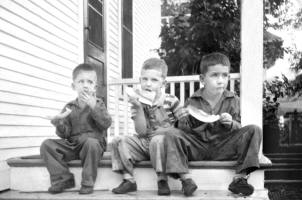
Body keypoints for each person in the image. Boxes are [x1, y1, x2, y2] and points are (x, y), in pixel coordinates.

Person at [168, 52, 262, 196]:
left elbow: (240, 128)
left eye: (224, 75)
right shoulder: (192, 101)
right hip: (197, 147)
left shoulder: (233, 100)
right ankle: (186, 180)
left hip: (224, 147)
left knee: (254, 130)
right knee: (171, 133)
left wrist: (231, 124)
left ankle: (240, 179)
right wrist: (184, 122)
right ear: (202, 79)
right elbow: (184, 130)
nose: (220, 80)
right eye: (215, 75)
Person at [111, 58, 197, 196]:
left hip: (164, 145)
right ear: (140, 80)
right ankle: (129, 180)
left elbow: (184, 128)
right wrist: (139, 108)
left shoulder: (171, 100)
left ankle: (162, 179)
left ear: (163, 83)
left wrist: (184, 118)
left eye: (154, 80)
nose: (148, 84)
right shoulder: (136, 102)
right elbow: (141, 131)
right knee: (117, 141)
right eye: (144, 79)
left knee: (157, 140)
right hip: (144, 143)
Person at [40, 63, 112, 194]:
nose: (85, 85)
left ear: (94, 87)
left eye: (89, 82)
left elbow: (106, 124)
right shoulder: (69, 107)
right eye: (81, 81)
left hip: (92, 145)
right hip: (73, 144)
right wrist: (59, 123)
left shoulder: (99, 103)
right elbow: (65, 134)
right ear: (74, 86)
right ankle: (63, 179)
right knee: (47, 145)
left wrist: (93, 107)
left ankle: (87, 182)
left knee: (91, 143)